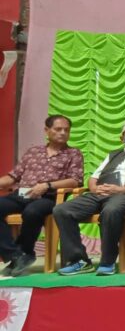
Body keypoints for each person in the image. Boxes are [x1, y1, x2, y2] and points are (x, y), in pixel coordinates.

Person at [54, 114, 125, 276]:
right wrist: (94, 189)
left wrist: (120, 190)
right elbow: (93, 178)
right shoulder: (112, 155)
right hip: (100, 194)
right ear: (122, 138)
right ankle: (79, 261)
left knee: (111, 211)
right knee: (62, 210)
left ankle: (107, 261)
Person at [0, 115, 84, 277]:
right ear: (47, 130)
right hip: (21, 194)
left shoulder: (73, 153)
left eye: (66, 130)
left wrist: (47, 185)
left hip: (48, 197)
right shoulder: (33, 151)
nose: (63, 133)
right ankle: (15, 255)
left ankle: (25, 251)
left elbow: (75, 180)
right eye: (58, 129)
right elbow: (13, 177)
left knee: (32, 211)